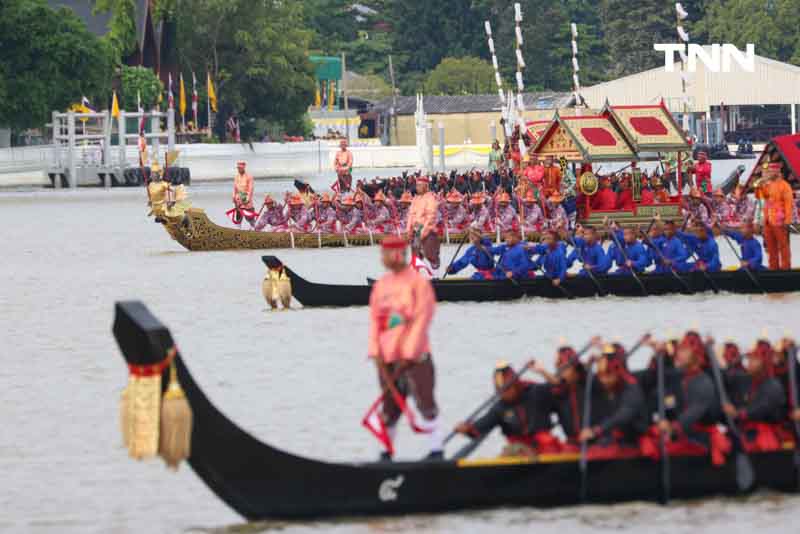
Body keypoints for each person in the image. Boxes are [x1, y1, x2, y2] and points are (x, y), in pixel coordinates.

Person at [367, 236, 442, 460]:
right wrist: (374, 351)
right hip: (387, 357)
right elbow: (374, 321)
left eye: (385, 254)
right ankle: (386, 453)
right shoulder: (381, 285)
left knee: (425, 402)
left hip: (415, 356)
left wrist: (409, 352)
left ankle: (436, 450)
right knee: (389, 407)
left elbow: (423, 318)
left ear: (399, 254)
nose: (382, 258)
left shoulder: (418, 283)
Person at [648, 334, 730, 466]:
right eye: (679, 350)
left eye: (684, 351)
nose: (679, 354)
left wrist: (672, 428)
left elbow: (693, 413)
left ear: (696, 356)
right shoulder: (678, 377)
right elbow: (658, 377)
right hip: (682, 435)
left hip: (700, 439)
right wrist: (659, 356)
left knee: (659, 450)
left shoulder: (704, 383)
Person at [454, 362, 560, 457]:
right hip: (519, 451)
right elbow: (479, 427)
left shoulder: (536, 391)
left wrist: (542, 371)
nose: (504, 393)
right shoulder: (499, 408)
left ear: (516, 384)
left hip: (546, 448)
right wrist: (467, 429)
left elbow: (558, 388)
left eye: (507, 388)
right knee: (514, 450)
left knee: (548, 444)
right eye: (500, 390)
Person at [720, 339, 786, 451]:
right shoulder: (746, 379)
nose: (749, 362)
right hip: (744, 430)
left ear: (764, 363)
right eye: (750, 359)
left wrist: (737, 413)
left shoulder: (773, 385)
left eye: (754, 359)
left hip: (764, 434)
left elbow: (761, 408)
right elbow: (726, 377)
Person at [579, 345, 649, 450]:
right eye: (600, 376)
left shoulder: (631, 387)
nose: (603, 380)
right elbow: (580, 379)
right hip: (610, 439)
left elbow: (623, 415)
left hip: (633, 440)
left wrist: (597, 430)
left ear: (617, 372)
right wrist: (587, 365)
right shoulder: (605, 386)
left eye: (607, 375)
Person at [758, 162, 793, 269]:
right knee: (770, 247)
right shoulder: (767, 185)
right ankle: (773, 268)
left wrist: (788, 220)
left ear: (778, 172)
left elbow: (789, 204)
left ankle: (786, 268)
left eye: (772, 170)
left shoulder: (785, 186)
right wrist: (761, 183)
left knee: (783, 246)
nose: (770, 172)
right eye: (769, 170)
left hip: (780, 220)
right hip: (768, 220)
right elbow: (760, 196)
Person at [407, 176, 441, 272]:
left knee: (430, 255)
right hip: (416, 230)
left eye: (419, 185)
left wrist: (423, 232)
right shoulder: (415, 199)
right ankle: (414, 276)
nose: (417, 187)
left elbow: (431, 217)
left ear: (426, 186)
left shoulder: (431, 198)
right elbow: (411, 215)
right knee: (415, 255)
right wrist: (408, 230)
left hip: (428, 230)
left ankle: (435, 263)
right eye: (416, 185)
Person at [231, 161, 256, 228]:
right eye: (238, 168)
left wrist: (247, 199)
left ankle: (255, 230)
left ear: (243, 168)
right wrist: (233, 196)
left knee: (250, 218)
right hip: (238, 201)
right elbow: (235, 188)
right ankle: (238, 231)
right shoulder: (236, 177)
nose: (239, 169)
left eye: (240, 168)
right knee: (238, 218)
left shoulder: (249, 177)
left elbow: (251, 189)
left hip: (246, 201)